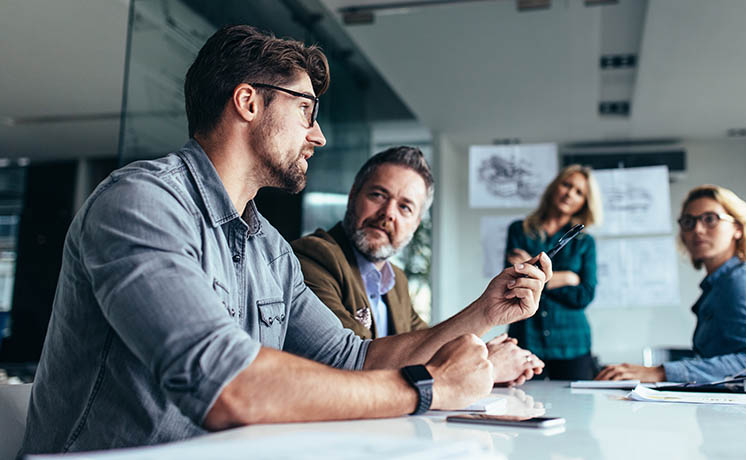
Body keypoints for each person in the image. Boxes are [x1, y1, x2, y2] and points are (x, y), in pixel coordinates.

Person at [19, 25, 552, 455]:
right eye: (305, 110)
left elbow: (354, 358)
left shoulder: (269, 248)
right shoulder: (140, 203)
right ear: (248, 103)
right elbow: (227, 384)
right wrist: (428, 387)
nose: (317, 134)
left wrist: (485, 312)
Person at [292, 146, 544, 385]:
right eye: (378, 195)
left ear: (416, 223)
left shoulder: (396, 280)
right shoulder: (313, 258)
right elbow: (356, 364)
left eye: (405, 207)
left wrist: (483, 354)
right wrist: (487, 363)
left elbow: (428, 348)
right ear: (353, 195)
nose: (388, 213)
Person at [596, 185, 746, 383]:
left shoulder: (741, 282)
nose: (697, 230)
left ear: (738, 228)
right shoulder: (720, 285)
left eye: (710, 219)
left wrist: (660, 372)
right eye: (688, 222)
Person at [505, 164, 602, 380]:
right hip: (527, 338)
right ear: (554, 187)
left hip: (572, 343)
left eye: (579, 192)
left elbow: (584, 295)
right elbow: (514, 284)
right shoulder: (519, 231)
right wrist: (567, 278)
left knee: (577, 410)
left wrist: (537, 278)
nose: (570, 194)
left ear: (584, 203)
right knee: (523, 406)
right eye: (566, 185)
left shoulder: (585, 242)